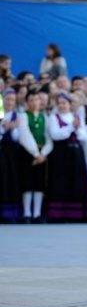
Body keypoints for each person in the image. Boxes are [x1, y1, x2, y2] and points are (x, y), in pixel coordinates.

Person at [46, 93, 87, 221]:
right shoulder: (54, 118)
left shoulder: (76, 117)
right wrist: (71, 127)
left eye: (64, 103)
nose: (61, 106)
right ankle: (58, 213)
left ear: (70, 104)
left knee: (76, 181)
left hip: (75, 152)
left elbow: (84, 136)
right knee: (60, 180)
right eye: (59, 103)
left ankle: (75, 214)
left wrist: (76, 129)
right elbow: (56, 135)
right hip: (61, 152)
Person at [18, 91, 53, 223]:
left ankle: (37, 213)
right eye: (31, 100)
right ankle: (27, 213)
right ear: (27, 103)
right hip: (29, 153)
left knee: (39, 183)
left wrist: (43, 153)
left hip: (42, 153)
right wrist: (36, 153)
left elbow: (49, 137)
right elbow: (25, 135)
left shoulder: (45, 117)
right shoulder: (24, 116)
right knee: (27, 182)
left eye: (36, 100)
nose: (34, 103)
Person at [0, 88, 21, 222]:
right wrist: (4, 129)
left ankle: (11, 213)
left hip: (12, 152)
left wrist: (12, 129)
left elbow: (18, 137)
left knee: (11, 179)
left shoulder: (17, 115)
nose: (10, 102)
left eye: (12, 100)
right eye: (7, 99)